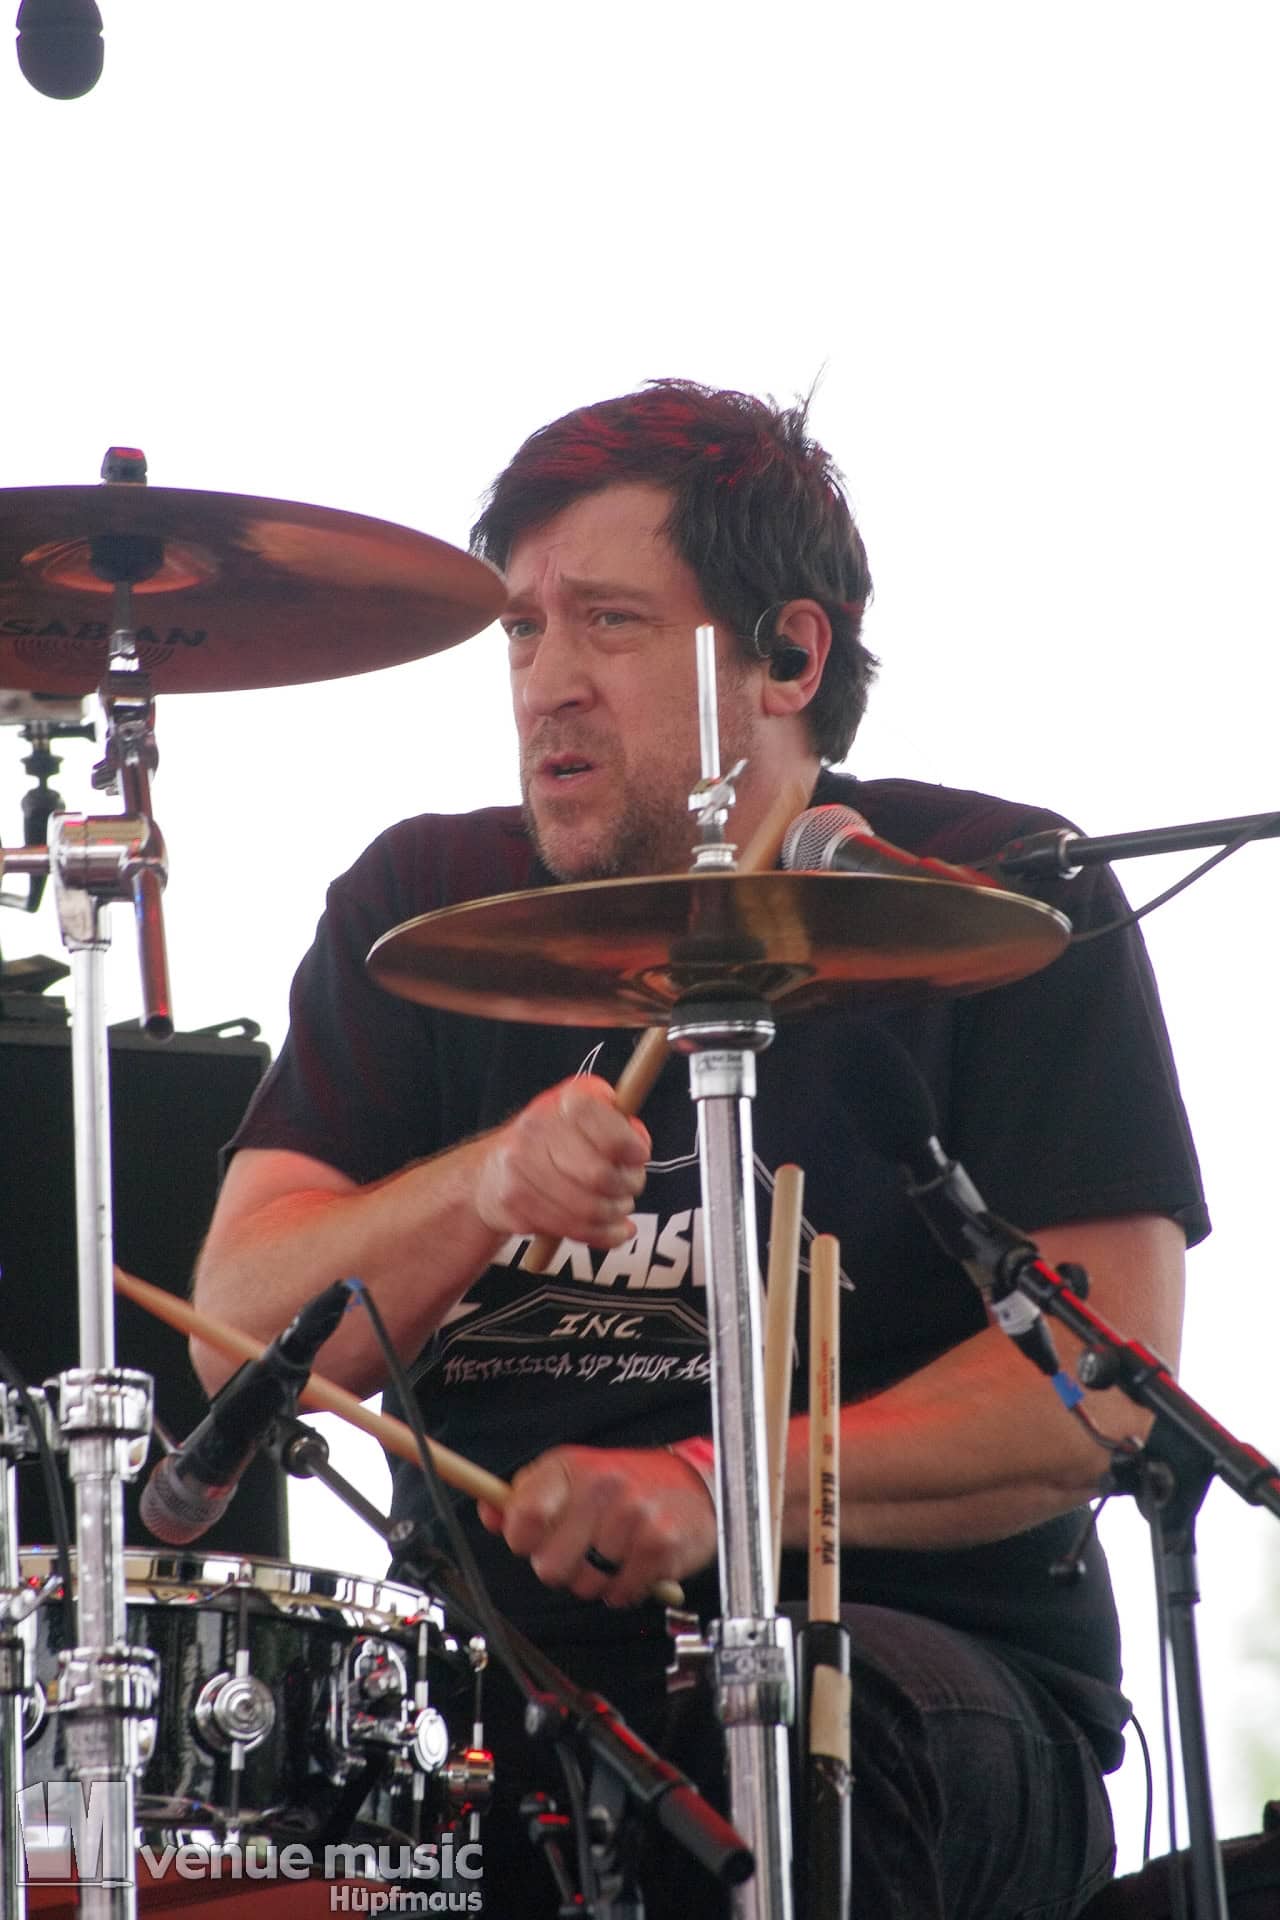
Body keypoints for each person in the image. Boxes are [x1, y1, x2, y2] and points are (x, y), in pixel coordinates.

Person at [192, 381, 1206, 1919]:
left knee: (766, 1745)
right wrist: (479, 1187)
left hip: (924, 1672)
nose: (548, 685)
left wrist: (714, 1486)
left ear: (791, 654)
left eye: (608, 623)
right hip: (501, 1689)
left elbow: (1105, 1386)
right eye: (523, 631)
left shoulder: (998, 890)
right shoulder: (420, 908)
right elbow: (239, 1332)